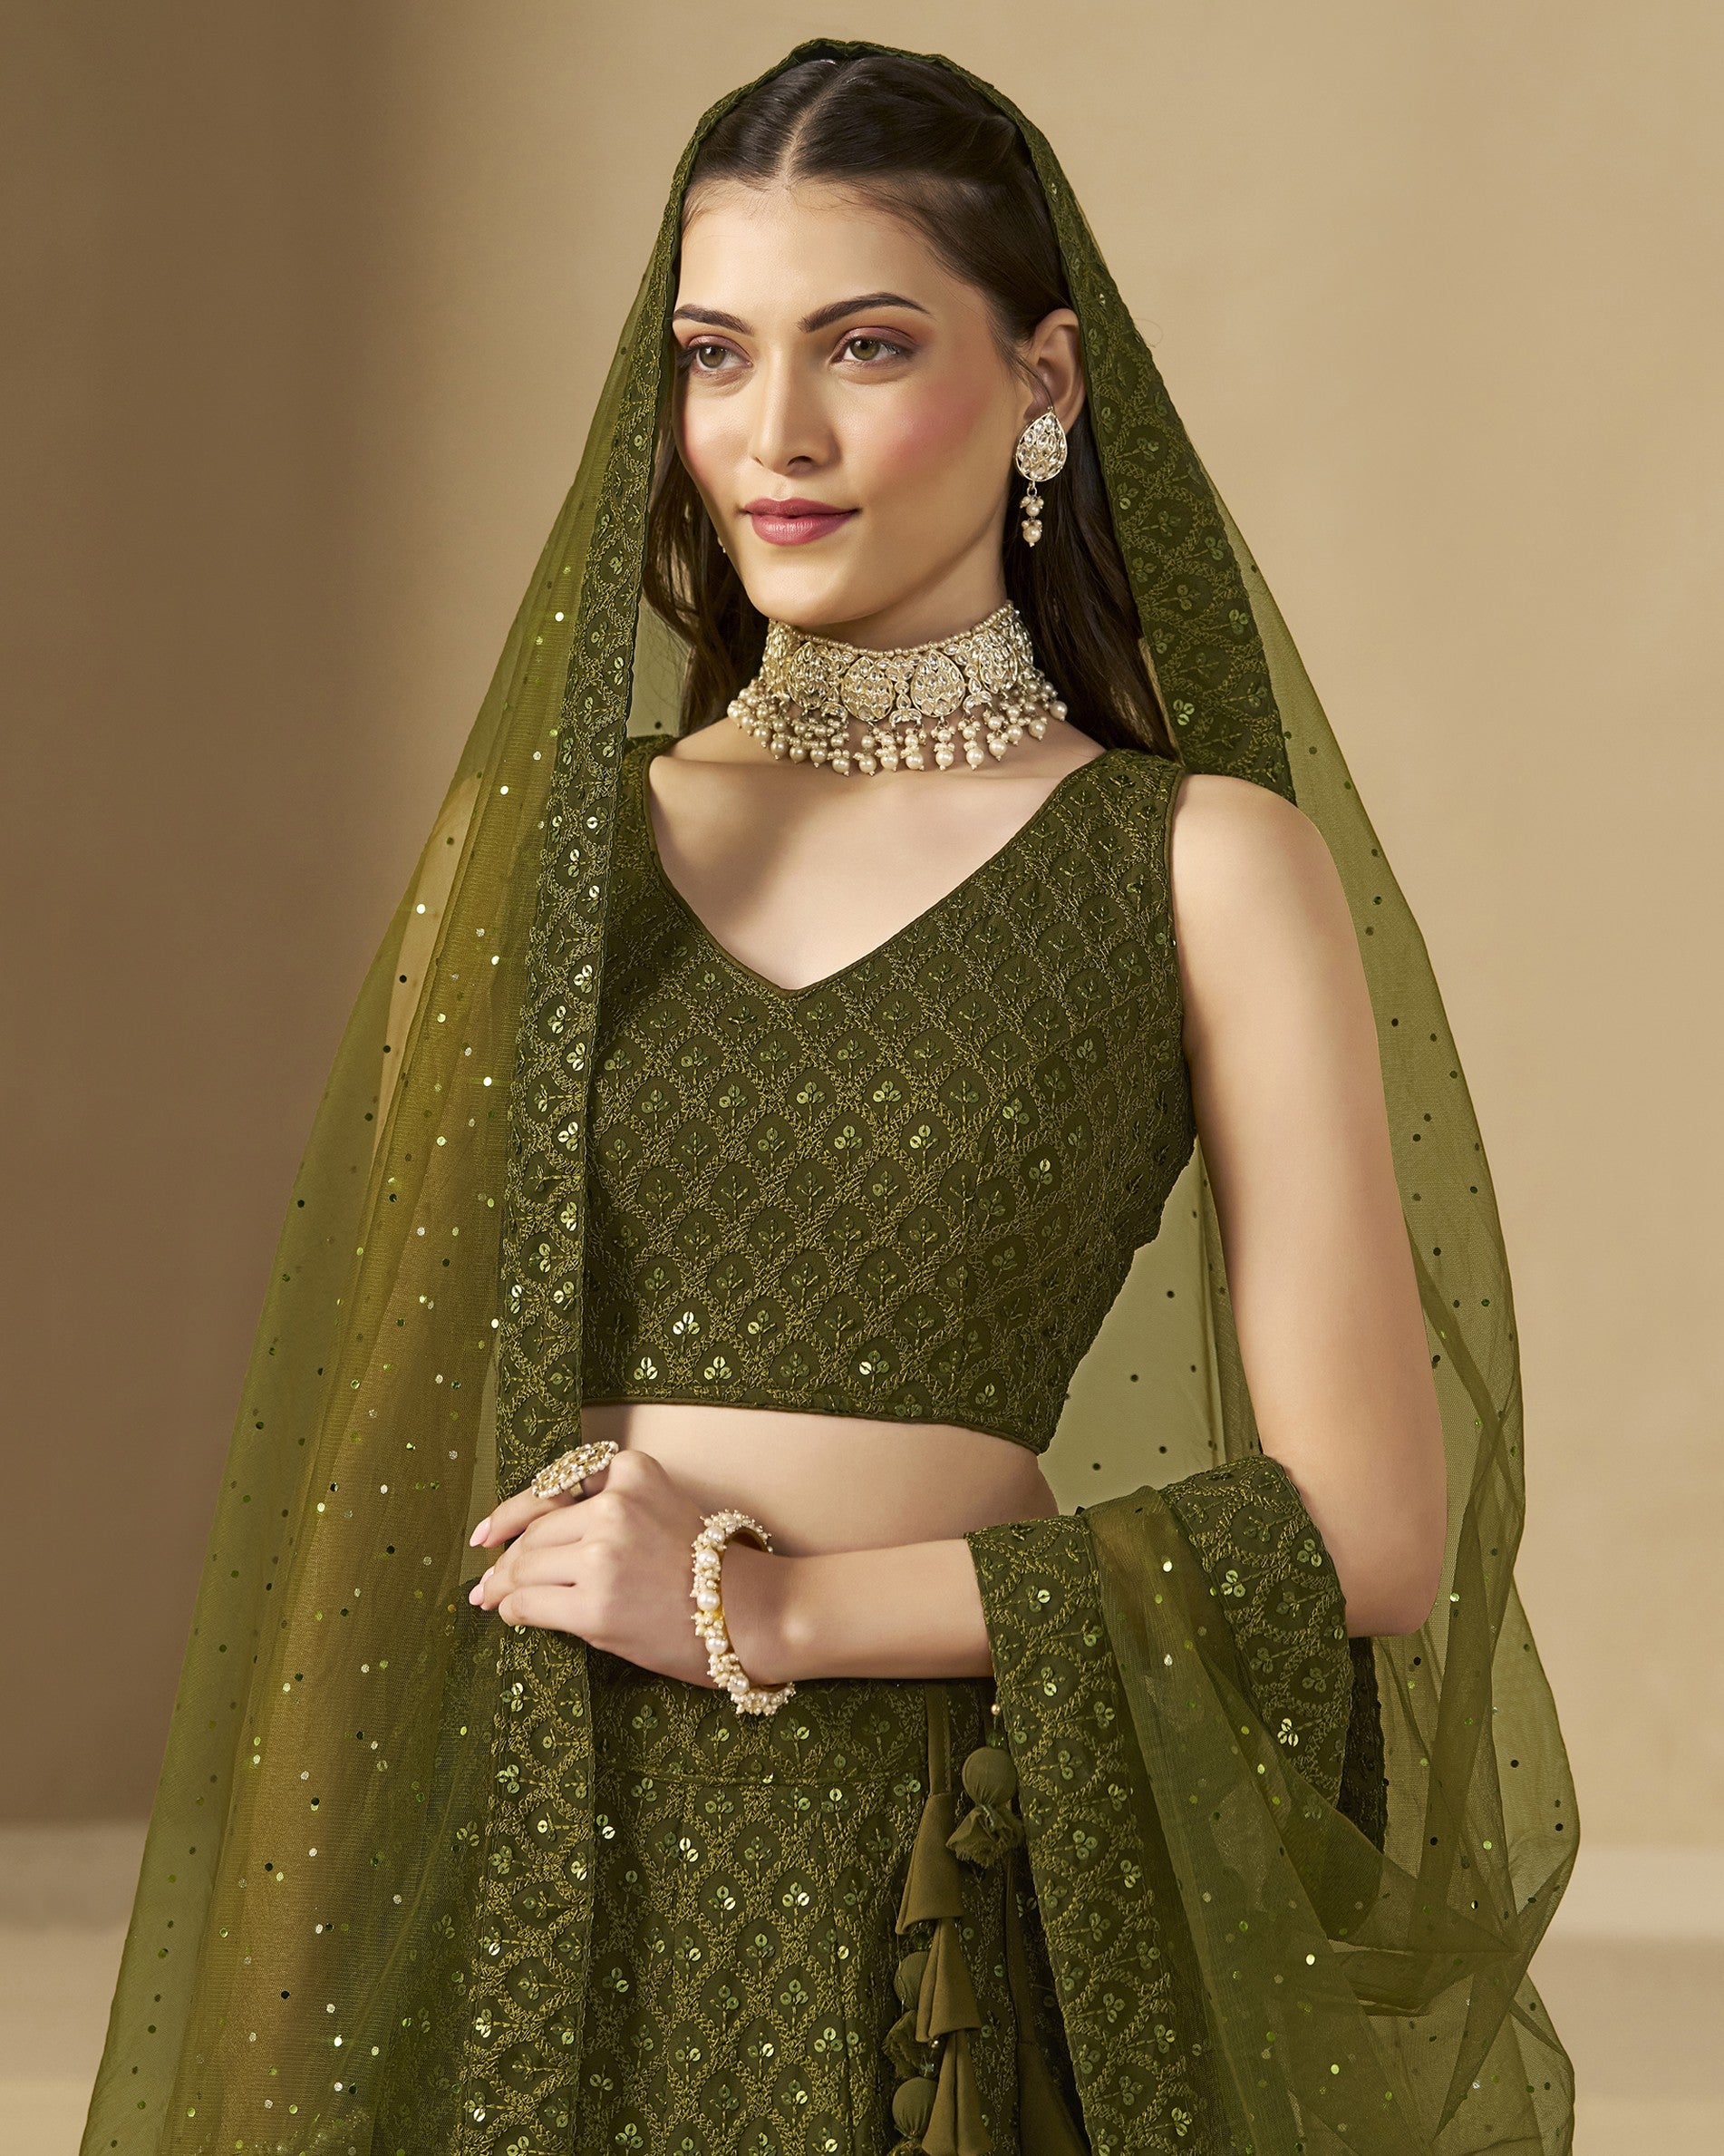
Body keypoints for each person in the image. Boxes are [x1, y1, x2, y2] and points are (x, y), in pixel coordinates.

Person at [82, 42, 1576, 2156]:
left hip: (934, 1881)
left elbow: (1366, 1532)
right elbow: (371, 1491)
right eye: (716, 355)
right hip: (529, 1857)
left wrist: (766, 1609)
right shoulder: (537, 860)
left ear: (1046, 381)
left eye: (864, 346)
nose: (771, 432)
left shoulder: (1197, 866)